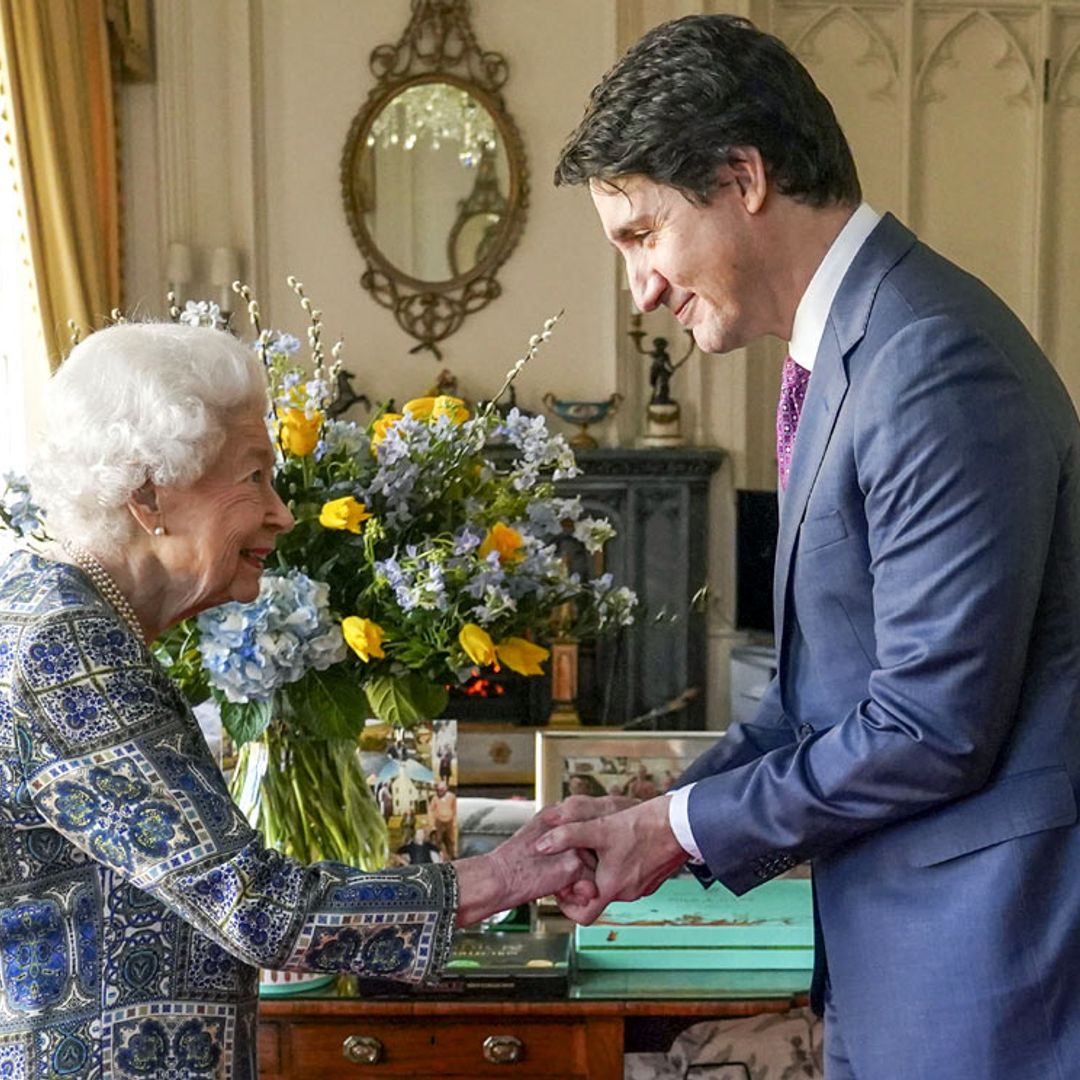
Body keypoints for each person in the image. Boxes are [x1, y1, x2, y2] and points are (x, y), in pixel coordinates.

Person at [538, 14, 1080, 1080]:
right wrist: (658, 817)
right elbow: (815, 703)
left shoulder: (931, 359)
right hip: (908, 958)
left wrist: (677, 831)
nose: (640, 290)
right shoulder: (851, 352)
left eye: (642, 235)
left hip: (986, 969)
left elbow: (930, 726)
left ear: (742, 176)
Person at [0, 322, 595, 1078]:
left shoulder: (47, 604)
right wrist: (505, 876)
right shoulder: (69, 648)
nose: (282, 512)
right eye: (254, 477)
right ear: (150, 493)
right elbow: (258, 906)